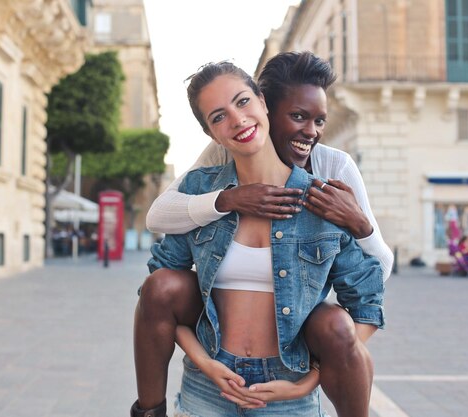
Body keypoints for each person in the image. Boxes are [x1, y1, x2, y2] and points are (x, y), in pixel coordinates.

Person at [133, 52, 391, 417]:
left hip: (287, 388)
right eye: (219, 116)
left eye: (242, 102)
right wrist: (205, 363)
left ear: (262, 103)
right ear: (211, 133)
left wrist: (306, 381)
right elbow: (156, 293)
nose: (237, 120)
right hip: (210, 383)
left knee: (335, 321)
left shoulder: (323, 196)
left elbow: (367, 298)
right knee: (160, 284)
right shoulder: (202, 190)